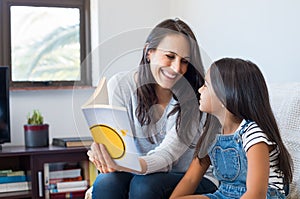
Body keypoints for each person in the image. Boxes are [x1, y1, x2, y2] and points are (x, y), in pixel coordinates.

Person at [87, 18, 218, 199]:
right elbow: (119, 144)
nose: (177, 68)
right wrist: (103, 151)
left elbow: (167, 157)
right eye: (170, 57)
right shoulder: (121, 85)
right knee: (106, 182)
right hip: (141, 170)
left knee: (144, 186)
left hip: (191, 176)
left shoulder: (194, 98)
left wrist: (128, 165)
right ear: (149, 52)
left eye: (185, 61)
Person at [170, 57, 293, 199]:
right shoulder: (212, 135)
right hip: (224, 194)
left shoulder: (253, 135)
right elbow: (190, 179)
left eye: (206, 85)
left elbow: (256, 194)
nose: (199, 90)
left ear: (224, 96)